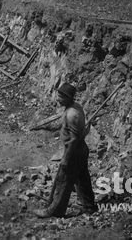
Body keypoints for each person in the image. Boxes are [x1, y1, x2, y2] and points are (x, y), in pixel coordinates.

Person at [34, 83, 97, 218]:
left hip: (74, 152)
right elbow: (76, 131)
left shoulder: (72, 114)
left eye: (61, 97)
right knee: (82, 179)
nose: (58, 99)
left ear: (69, 97)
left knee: (63, 181)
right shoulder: (74, 108)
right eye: (58, 95)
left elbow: (73, 140)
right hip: (81, 150)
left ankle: (54, 211)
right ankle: (89, 207)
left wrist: (66, 159)